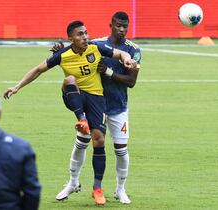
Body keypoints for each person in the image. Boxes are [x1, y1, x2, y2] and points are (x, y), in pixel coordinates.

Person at [3, 20, 137, 205]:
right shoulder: (62, 54)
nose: (85, 37)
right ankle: (81, 120)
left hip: (97, 99)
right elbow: (38, 70)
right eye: (80, 34)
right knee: (70, 79)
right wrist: (17, 86)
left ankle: (97, 188)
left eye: (86, 33)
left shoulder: (96, 48)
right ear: (70, 38)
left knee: (98, 140)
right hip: (75, 97)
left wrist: (126, 58)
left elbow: (121, 52)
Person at [51, 11, 141, 204]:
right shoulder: (98, 43)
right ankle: (72, 182)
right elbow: (73, 48)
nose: (122, 29)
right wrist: (59, 47)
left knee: (121, 149)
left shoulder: (134, 49)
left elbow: (131, 81)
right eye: (118, 25)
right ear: (111, 25)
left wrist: (108, 71)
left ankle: (120, 189)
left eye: (125, 26)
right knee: (82, 142)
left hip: (117, 106)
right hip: (93, 103)